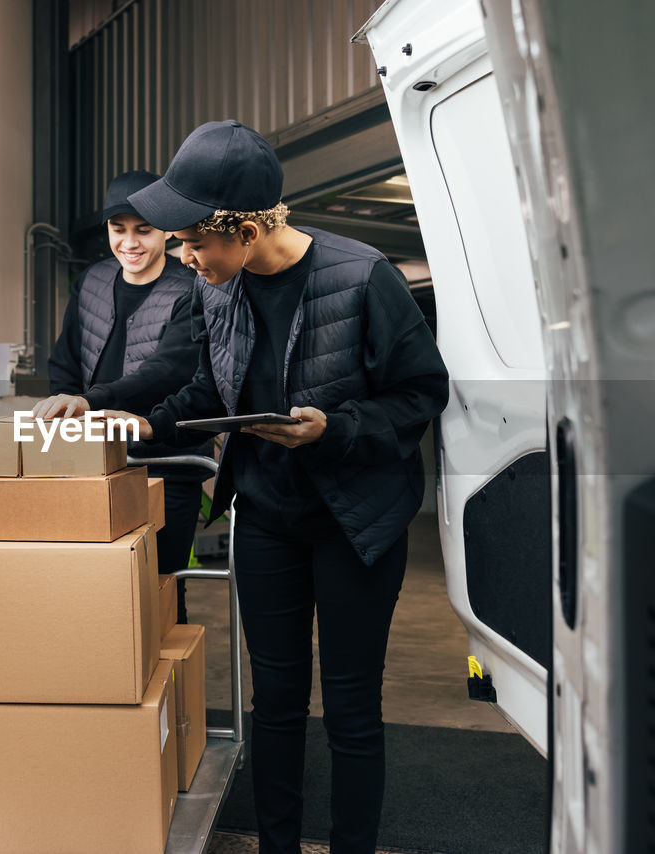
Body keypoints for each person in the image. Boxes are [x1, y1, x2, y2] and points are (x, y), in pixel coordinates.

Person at [113, 121, 450, 854]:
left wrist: (334, 427)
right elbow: (207, 387)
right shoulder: (216, 288)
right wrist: (135, 425)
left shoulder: (361, 275)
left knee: (353, 706)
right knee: (276, 704)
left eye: (195, 242)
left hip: (356, 518)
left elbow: (422, 392)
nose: (185, 257)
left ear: (243, 227)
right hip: (266, 514)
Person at [33, 170, 211, 621]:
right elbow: (66, 363)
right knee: (96, 588)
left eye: (143, 230)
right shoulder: (92, 281)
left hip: (166, 467)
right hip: (97, 463)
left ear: (167, 230)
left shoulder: (190, 287)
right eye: (119, 229)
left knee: (160, 590)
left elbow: (166, 371)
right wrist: (65, 413)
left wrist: (91, 401)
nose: (130, 242)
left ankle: (167, 689)